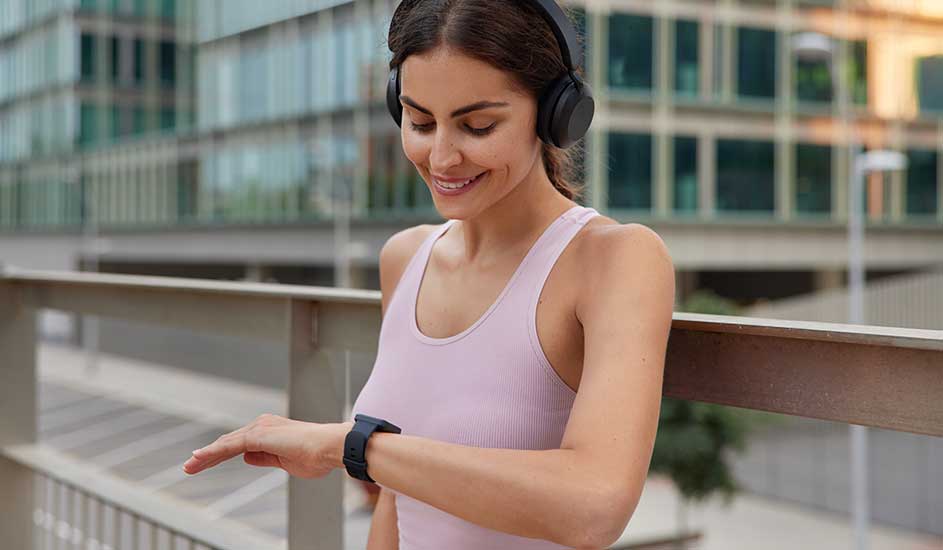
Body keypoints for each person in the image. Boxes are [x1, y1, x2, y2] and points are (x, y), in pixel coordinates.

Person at [182, 1, 675, 549]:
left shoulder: (614, 259)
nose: (441, 157)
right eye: (419, 122)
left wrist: (350, 445)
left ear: (556, 113)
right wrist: (374, 454)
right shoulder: (405, 258)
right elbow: (402, 496)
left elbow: (593, 506)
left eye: (478, 125)